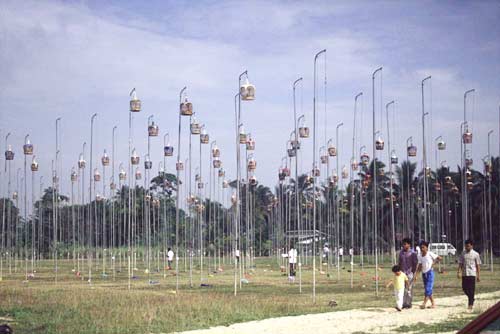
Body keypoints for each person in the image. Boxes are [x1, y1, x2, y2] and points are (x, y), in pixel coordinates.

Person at [415, 241, 442, 309]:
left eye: (423, 247)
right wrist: (416, 275)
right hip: (424, 274)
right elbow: (420, 266)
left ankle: (424, 303)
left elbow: (439, 258)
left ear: (427, 248)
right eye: (421, 247)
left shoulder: (430, 254)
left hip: (430, 273)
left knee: (428, 289)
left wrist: (434, 263)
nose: (422, 249)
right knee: (428, 289)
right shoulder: (419, 255)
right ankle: (433, 303)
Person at [457, 239, 481, 310]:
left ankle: (470, 304)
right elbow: (460, 263)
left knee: (471, 289)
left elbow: (478, 265)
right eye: (466, 246)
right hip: (464, 273)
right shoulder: (463, 253)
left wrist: (478, 275)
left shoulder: (476, 254)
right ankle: (471, 298)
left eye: (468, 246)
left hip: (472, 274)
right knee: (464, 288)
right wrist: (458, 272)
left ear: (472, 246)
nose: (467, 247)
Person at [398, 238, 418, 308]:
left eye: (405, 244)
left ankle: (409, 303)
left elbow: (415, 264)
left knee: (409, 288)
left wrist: (414, 273)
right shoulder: (401, 253)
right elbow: (399, 263)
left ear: (409, 244)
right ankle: (403, 303)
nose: (403, 245)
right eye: (403, 244)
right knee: (402, 288)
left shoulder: (413, 253)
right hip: (402, 274)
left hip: (409, 274)